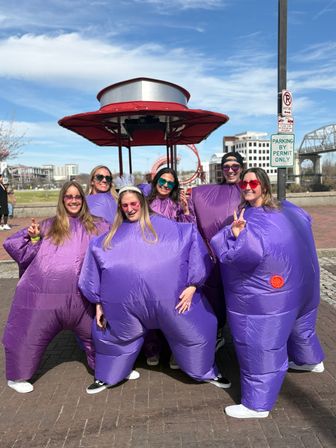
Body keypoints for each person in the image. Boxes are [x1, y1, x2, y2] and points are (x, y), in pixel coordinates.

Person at [79, 186, 230, 394]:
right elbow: (93, 272)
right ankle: (107, 377)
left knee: (195, 333)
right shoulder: (105, 241)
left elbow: (196, 248)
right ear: (120, 209)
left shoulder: (175, 230)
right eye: (125, 205)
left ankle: (206, 371)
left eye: (134, 204)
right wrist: (98, 303)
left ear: (142, 203)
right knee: (113, 338)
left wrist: (194, 285)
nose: (130, 209)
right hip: (124, 307)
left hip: (174, 302)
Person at [211, 168, 325, 419]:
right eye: (244, 183)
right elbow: (307, 221)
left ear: (264, 185)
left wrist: (234, 234)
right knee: (301, 328)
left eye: (253, 182)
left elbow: (243, 256)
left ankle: (257, 404)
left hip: (267, 298)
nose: (248, 186)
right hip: (302, 287)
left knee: (260, 343)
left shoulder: (251, 219)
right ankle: (310, 361)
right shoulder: (288, 209)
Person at [2, 181, 113, 394]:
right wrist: (33, 238)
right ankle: (18, 375)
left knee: (99, 335)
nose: (73, 200)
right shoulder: (46, 226)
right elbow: (17, 247)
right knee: (29, 334)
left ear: (83, 199)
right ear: (62, 200)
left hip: (84, 301)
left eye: (77, 197)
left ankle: (113, 369)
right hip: (46, 299)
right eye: (68, 197)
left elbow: (117, 246)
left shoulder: (98, 225)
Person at [144, 167, 195, 368]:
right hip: (148, 260)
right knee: (149, 307)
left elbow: (190, 230)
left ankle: (176, 351)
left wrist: (187, 210)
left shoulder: (178, 205)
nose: (165, 186)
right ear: (155, 182)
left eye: (170, 183)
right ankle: (152, 349)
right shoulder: (145, 203)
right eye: (162, 181)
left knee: (173, 308)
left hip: (172, 263)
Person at [189, 152, 243, 331]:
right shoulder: (206, 193)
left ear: (241, 168)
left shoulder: (248, 191)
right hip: (214, 256)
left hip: (241, 255)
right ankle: (217, 329)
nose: (230, 170)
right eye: (226, 167)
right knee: (215, 295)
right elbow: (192, 217)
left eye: (235, 166)